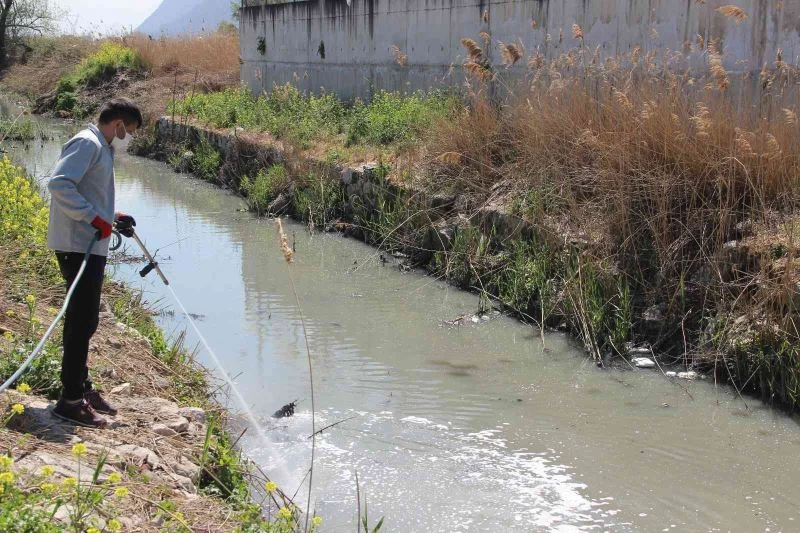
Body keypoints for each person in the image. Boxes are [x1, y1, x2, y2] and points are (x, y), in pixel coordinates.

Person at [46, 98, 142, 428]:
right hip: (77, 245)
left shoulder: (101, 147)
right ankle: (70, 401)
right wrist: (92, 219)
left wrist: (111, 217)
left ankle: (81, 388)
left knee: (86, 320)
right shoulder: (87, 143)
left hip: (88, 243)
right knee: (81, 319)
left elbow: (89, 193)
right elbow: (59, 184)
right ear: (116, 125)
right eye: (128, 131)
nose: (128, 137)